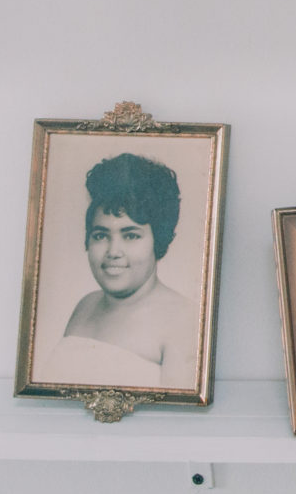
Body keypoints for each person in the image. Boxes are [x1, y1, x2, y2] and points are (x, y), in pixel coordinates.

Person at [55, 153, 196, 389]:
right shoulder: (85, 306)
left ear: (157, 241)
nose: (113, 251)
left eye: (131, 236)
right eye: (100, 235)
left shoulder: (185, 321)